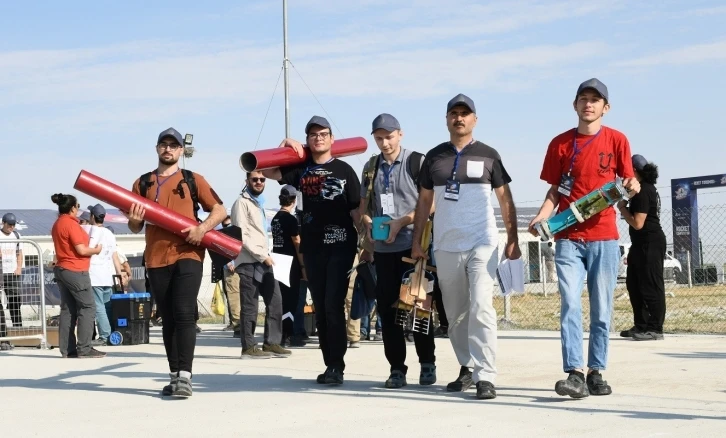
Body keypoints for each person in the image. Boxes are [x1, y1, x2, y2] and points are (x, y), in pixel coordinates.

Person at [528, 78, 640, 399]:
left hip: (605, 237)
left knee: (602, 307)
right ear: (574, 105)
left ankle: (596, 371)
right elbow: (555, 190)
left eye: (595, 100)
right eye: (583, 99)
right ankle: (575, 372)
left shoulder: (617, 140)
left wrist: (632, 186)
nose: (588, 104)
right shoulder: (560, 144)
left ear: (606, 107)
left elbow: (628, 179)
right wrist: (543, 215)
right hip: (568, 238)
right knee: (570, 304)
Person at [411, 94, 520, 400]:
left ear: (475, 119)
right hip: (446, 245)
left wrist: (512, 239)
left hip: (482, 242)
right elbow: (424, 202)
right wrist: (419, 242)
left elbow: (505, 199)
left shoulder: (489, 155)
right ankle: (467, 366)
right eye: (454, 113)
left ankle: (486, 375)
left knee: (482, 306)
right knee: (456, 313)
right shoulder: (433, 158)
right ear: (447, 119)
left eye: (465, 113)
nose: (459, 118)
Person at [260, 115, 361, 385]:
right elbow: (267, 172)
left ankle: (337, 365)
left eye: (324, 133)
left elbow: (356, 209)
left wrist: (368, 243)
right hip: (313, 248)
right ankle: (330, 364)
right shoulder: (301, 169)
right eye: (313, 134)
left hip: (341, 245)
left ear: (332, 138)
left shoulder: (345, 170)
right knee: (320, 306)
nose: (319, 138)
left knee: (332, 305)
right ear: (308, 140)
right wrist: (286, 148)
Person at [125, 127, 227, 397]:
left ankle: (185, 375)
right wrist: (135, 219)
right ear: (157, 148)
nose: (168, 149)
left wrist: (202, 228)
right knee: (167, 317)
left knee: (183, 312)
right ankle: (174, 375)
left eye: (173, 145)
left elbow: (219, 209)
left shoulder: (193, 179)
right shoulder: (143, 183)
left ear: (181, 150)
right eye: (163, 144)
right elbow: (134, 227)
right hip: (156, 257)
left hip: (188, 253)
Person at [358, 113, 436, 389]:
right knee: (388, 311)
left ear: (400, 134)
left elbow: (432, 205)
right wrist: (368, 223)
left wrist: (402, 221)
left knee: (416, 308)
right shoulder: (370, 167)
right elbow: (363, 208)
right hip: (384, 249)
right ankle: (396, 369)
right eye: (379, 138)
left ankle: (427, 362)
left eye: (389, 137)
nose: (384, 143)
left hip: (415, 248)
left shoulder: (417, 162)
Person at [230, 171, 290, 359]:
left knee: (276, 301)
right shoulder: (242, 203)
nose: (258, 182)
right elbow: (242, 235)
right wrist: (262, 256)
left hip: (264, 260)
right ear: (247, 180)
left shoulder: (259, 203)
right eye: (254, 179)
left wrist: (266, 256)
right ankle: (248, 347)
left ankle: (271, 343)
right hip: (250, 261)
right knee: (250, 306)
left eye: (262, 179)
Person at [50, 193, 106, 359]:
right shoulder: (71, 225)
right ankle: (84, 348)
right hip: (75, 270)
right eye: (78, 205)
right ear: (73, 208)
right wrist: (96, 250)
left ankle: (67, 349)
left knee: (68, 309)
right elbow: (81, 250)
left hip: (62, 269)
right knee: (88, 307)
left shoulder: (58, 223)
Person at [618, 154, 666, 341]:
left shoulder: (644, 190)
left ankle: (655, 328)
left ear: (634, 172)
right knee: (634, 284)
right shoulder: (639, 190)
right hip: (640, 243)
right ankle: (641, 325)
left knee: (651, 285)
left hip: (650, 242)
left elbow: (638, 223)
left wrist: (622, 208)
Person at [270, 184, 307, 347]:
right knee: (292, 300)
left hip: (278, 260)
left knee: (281, 299)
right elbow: (297, 243)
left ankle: (281, 334)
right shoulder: (290, 219)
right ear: (293, 200)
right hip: (290, 262)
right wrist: (303, 266)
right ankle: (289, 334)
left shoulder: (275, 218)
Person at [82, 204, 124, 346]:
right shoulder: (110, 233)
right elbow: (114, 256)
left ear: (92, 216)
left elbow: (90, 249)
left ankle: (105, 336)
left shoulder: (93, 231)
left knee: (98, 306)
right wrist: (119, 274)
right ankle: (112, 333)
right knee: (108, 306)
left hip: (95, 274)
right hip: (107, 275)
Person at [0, 213, 24, 350]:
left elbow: (19, 253)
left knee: (15, 302)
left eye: (13, 225)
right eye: (9, 224)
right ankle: (3, 335)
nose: (11, 227)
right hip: (1, 272)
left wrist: (19, 267)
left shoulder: (17, 236)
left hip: (12, 273)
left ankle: (18, 331)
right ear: (3, 223)